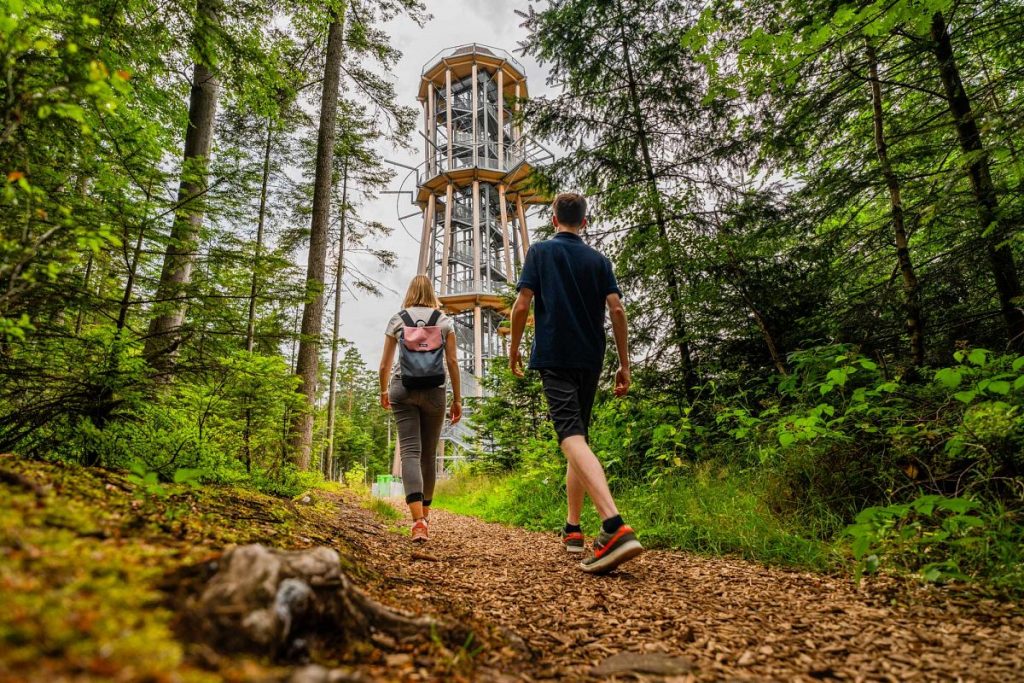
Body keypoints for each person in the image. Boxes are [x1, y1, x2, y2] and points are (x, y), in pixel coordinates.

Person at [509, 192, 643, 574]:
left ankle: (614, 525)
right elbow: (617, 309)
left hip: (555, 353)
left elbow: (522, 305)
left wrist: (515, 348)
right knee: (579, 436)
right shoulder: (600, 261)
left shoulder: (540, 253)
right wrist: (624, 364)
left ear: (554, 219)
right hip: (590, 357)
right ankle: (572, 529)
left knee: (569, 436)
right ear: (584, 222)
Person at [378, 274, 462, 543]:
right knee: (428, 455)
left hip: (402, 389)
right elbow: (452, 362)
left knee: (410, 454)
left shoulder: (397, 319)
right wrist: (457, 399)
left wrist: (383, 390)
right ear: (431, 293)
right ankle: (425, 514)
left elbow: (384, 364)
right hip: (435, 392)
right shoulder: (444, 322)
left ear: (410, 292)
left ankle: (418, 522)